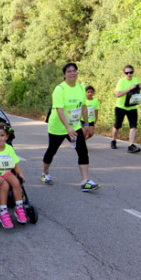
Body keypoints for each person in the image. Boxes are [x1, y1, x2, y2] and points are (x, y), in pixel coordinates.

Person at [41, 62, 100, 192]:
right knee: (52, 150)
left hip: (75, 126)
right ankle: (45, 173)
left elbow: (83, 106)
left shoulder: (80, 88)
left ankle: (85, 181)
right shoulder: (60, 89)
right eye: (69, 71)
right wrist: (67, 127)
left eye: (75, 70)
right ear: (64, 75)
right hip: (58, 127)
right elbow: (59, 110)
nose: (73, 73)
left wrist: (87, 124)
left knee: (82, 150)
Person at [0, 122, 27, 229]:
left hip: (6, 171)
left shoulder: (9, 148)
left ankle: (19, 208)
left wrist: (20, 174)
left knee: (16, 182)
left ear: (6, 137)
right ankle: (3, 213)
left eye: (2, 135)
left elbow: (15, 163)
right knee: (5, 186)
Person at [110, 65, 141, 153]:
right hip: (121, 106)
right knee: (117, 125)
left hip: (132, 106)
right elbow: (118, 94)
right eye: (127, 73)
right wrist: (129, 89)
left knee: (133, 126)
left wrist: (139, 88)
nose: (129, 74)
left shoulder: (135, 80)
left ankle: (131, 145)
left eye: (131, 72)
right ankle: (113, 140)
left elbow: (136, 91)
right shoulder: (121, 81)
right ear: (124, 73)